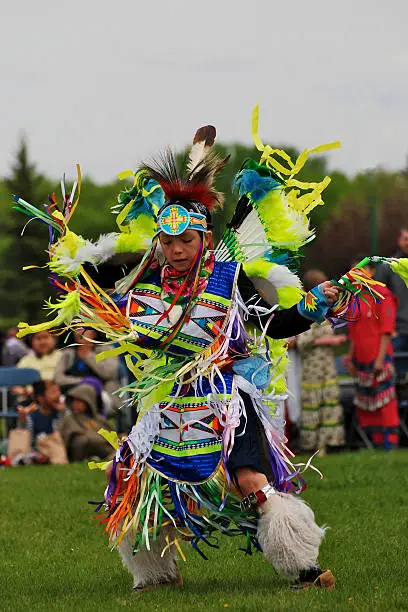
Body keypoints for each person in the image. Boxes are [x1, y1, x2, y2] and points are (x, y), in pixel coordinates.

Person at [15, 115, 349, 591]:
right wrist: (69, 258)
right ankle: (155, 577)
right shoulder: (140, 285)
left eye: (185, 241)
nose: (175, 250)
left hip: (223, 399)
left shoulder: (224, 279)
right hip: (166, 402)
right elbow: (83, 289)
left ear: (204, 239)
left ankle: (304, 569)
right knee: (143, 487)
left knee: (250, 480)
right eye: (167, 241)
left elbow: (270, 324)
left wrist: (314, 306)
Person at [343, 258, 400, 449]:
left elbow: (387, 330)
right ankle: (371, 443)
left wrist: (380, 359)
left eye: (359, 270)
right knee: (366, 401)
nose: (356, 275)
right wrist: (351, 357)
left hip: (379, 357)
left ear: (371, 271)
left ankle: (389, 443)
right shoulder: (356, 298)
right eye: (353, 271)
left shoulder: (383, 295)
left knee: (384, 401)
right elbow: (353, 332)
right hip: (361, 358)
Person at [298, 270, 346, 454]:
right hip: (313, 366)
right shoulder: (307, 309)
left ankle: (327, 443)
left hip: (327, 364)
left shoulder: (327, 309)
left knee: (328, 400)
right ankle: (313, 444)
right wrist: (330, 341)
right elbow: (303, 340)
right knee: (314, 402)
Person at [54, 328, 121, 413]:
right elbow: (58, 378)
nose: (81, 332)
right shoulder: (68, 354)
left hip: (102, 394)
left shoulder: (107, 349)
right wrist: (83, 381)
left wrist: (89, 356)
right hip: (73, 394)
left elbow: (109, 373)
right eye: (77, 329)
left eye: (85, 329)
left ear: (94, 333)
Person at [376, 228, 408, 376]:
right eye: (406, 239)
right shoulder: (388, 266)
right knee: (397, 376)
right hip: (397, 330)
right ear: (399, 241)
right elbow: (378, 298)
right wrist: (387, 327)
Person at [58, 383, 114, 462]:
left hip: (102, 447)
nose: (75, 404)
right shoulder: (70, 418)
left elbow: (111, 433)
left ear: (88, 401)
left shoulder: (98, 418)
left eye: (79, 401)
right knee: (81, 440)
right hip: (81, 449)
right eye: (73, 401)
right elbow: (68, 436)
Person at [16, 380, 65, 448]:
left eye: (59, 391)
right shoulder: (32, 418)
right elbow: (25, 443)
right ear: (41, 398)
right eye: (53, 392)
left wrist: (63, 412)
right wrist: (23, 421)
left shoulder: (62, 413)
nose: (58, 395)